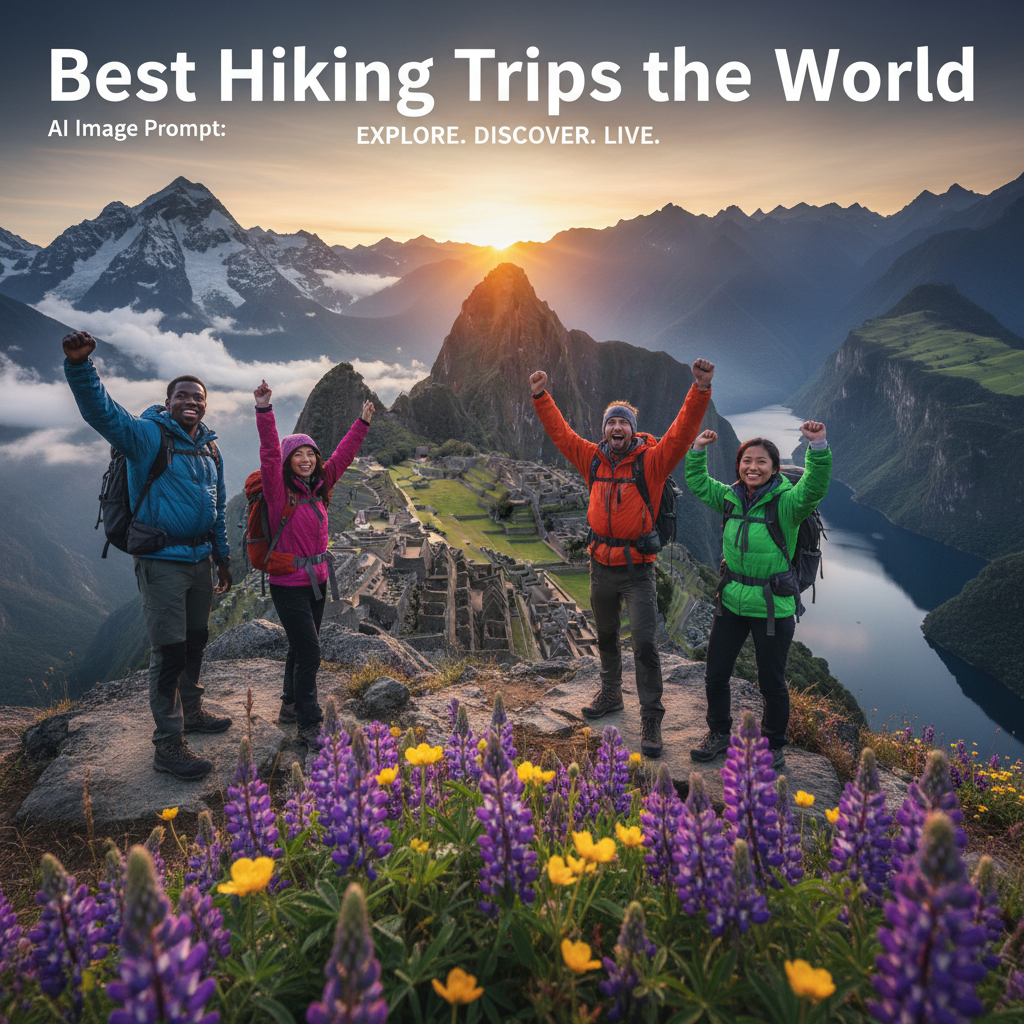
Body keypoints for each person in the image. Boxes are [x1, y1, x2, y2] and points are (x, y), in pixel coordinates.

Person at [62, 330, 233, 781]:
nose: (191, 402)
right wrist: (80, 367)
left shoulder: (209, 449)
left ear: (205, 404)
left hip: (200, 563)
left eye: (198, 396)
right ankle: (168, 744)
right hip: (161, 563)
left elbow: (216, 509)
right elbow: (104, 413)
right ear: (169, 400)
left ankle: (192, 712)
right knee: (169, 651)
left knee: (196, 641)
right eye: (182, 396)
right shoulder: (147, 437)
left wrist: (223, 558)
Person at [529, 360, 715, 757]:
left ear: (632, 430)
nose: (617, 429)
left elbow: (681, 435)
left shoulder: (652, 462)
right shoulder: (592, 459)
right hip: (600, 568)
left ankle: (651, 717)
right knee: (608, 636)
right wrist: (541, 397)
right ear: (605, 429)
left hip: (637, 572)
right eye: (612, 423)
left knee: (645, 643)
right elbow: (561, 435)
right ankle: (611, 692)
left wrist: (699, 390)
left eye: (624, 424)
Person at [685, 422, 831, 770]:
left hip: (773, 607)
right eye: (746, 460)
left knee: (772, 681)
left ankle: (772, 744)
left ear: (775, 468)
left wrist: (818, 446)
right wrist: (697, 450)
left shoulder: (787, 505)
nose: (753, 467)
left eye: (762, 461)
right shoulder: (730, 498)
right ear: (738, 465)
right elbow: (698, 484)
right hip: (732, 601)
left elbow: (813, 487)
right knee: (716, 673)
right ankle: (719, 733)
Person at [253, 380, 374, 748]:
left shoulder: (319, 486)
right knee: (310, 653)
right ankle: (310, 722)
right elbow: (270, 454)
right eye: (298, 455)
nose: (306, 460)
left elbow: (343, 457)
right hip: (289, 584)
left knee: (300, 647)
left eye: (311, 454)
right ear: (289, 462)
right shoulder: (279, 494)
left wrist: (362, 423)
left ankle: (289, 705)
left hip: (317, 582)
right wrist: (264, 410)